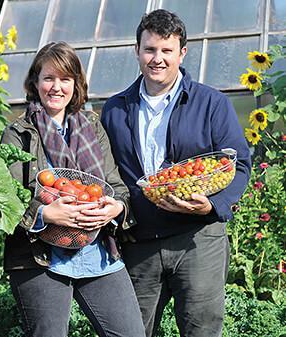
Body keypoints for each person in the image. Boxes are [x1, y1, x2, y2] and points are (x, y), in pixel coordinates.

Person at [101, 9, 251, 337]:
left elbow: (238, 164)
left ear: (181, 53)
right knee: (131, 331)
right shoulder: (115, 109)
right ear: (137, 51)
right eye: (150, 49)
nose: (158, 59)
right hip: (140, 240)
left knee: (201, 329)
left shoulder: (211, 103)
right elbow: (106, 173)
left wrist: (213, 205)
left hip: (198, 237)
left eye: (166, 50)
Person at [1, 41, 145, 337]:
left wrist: (116, 208)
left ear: (76, 84)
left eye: (65, 79)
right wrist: (44, 214)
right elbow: (7, 198)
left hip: (97, 250)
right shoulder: (18, 133)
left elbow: (115, 186)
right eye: (48, 78)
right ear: (35, 83)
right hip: (40, 256)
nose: (57, 87)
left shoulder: (92, 126)